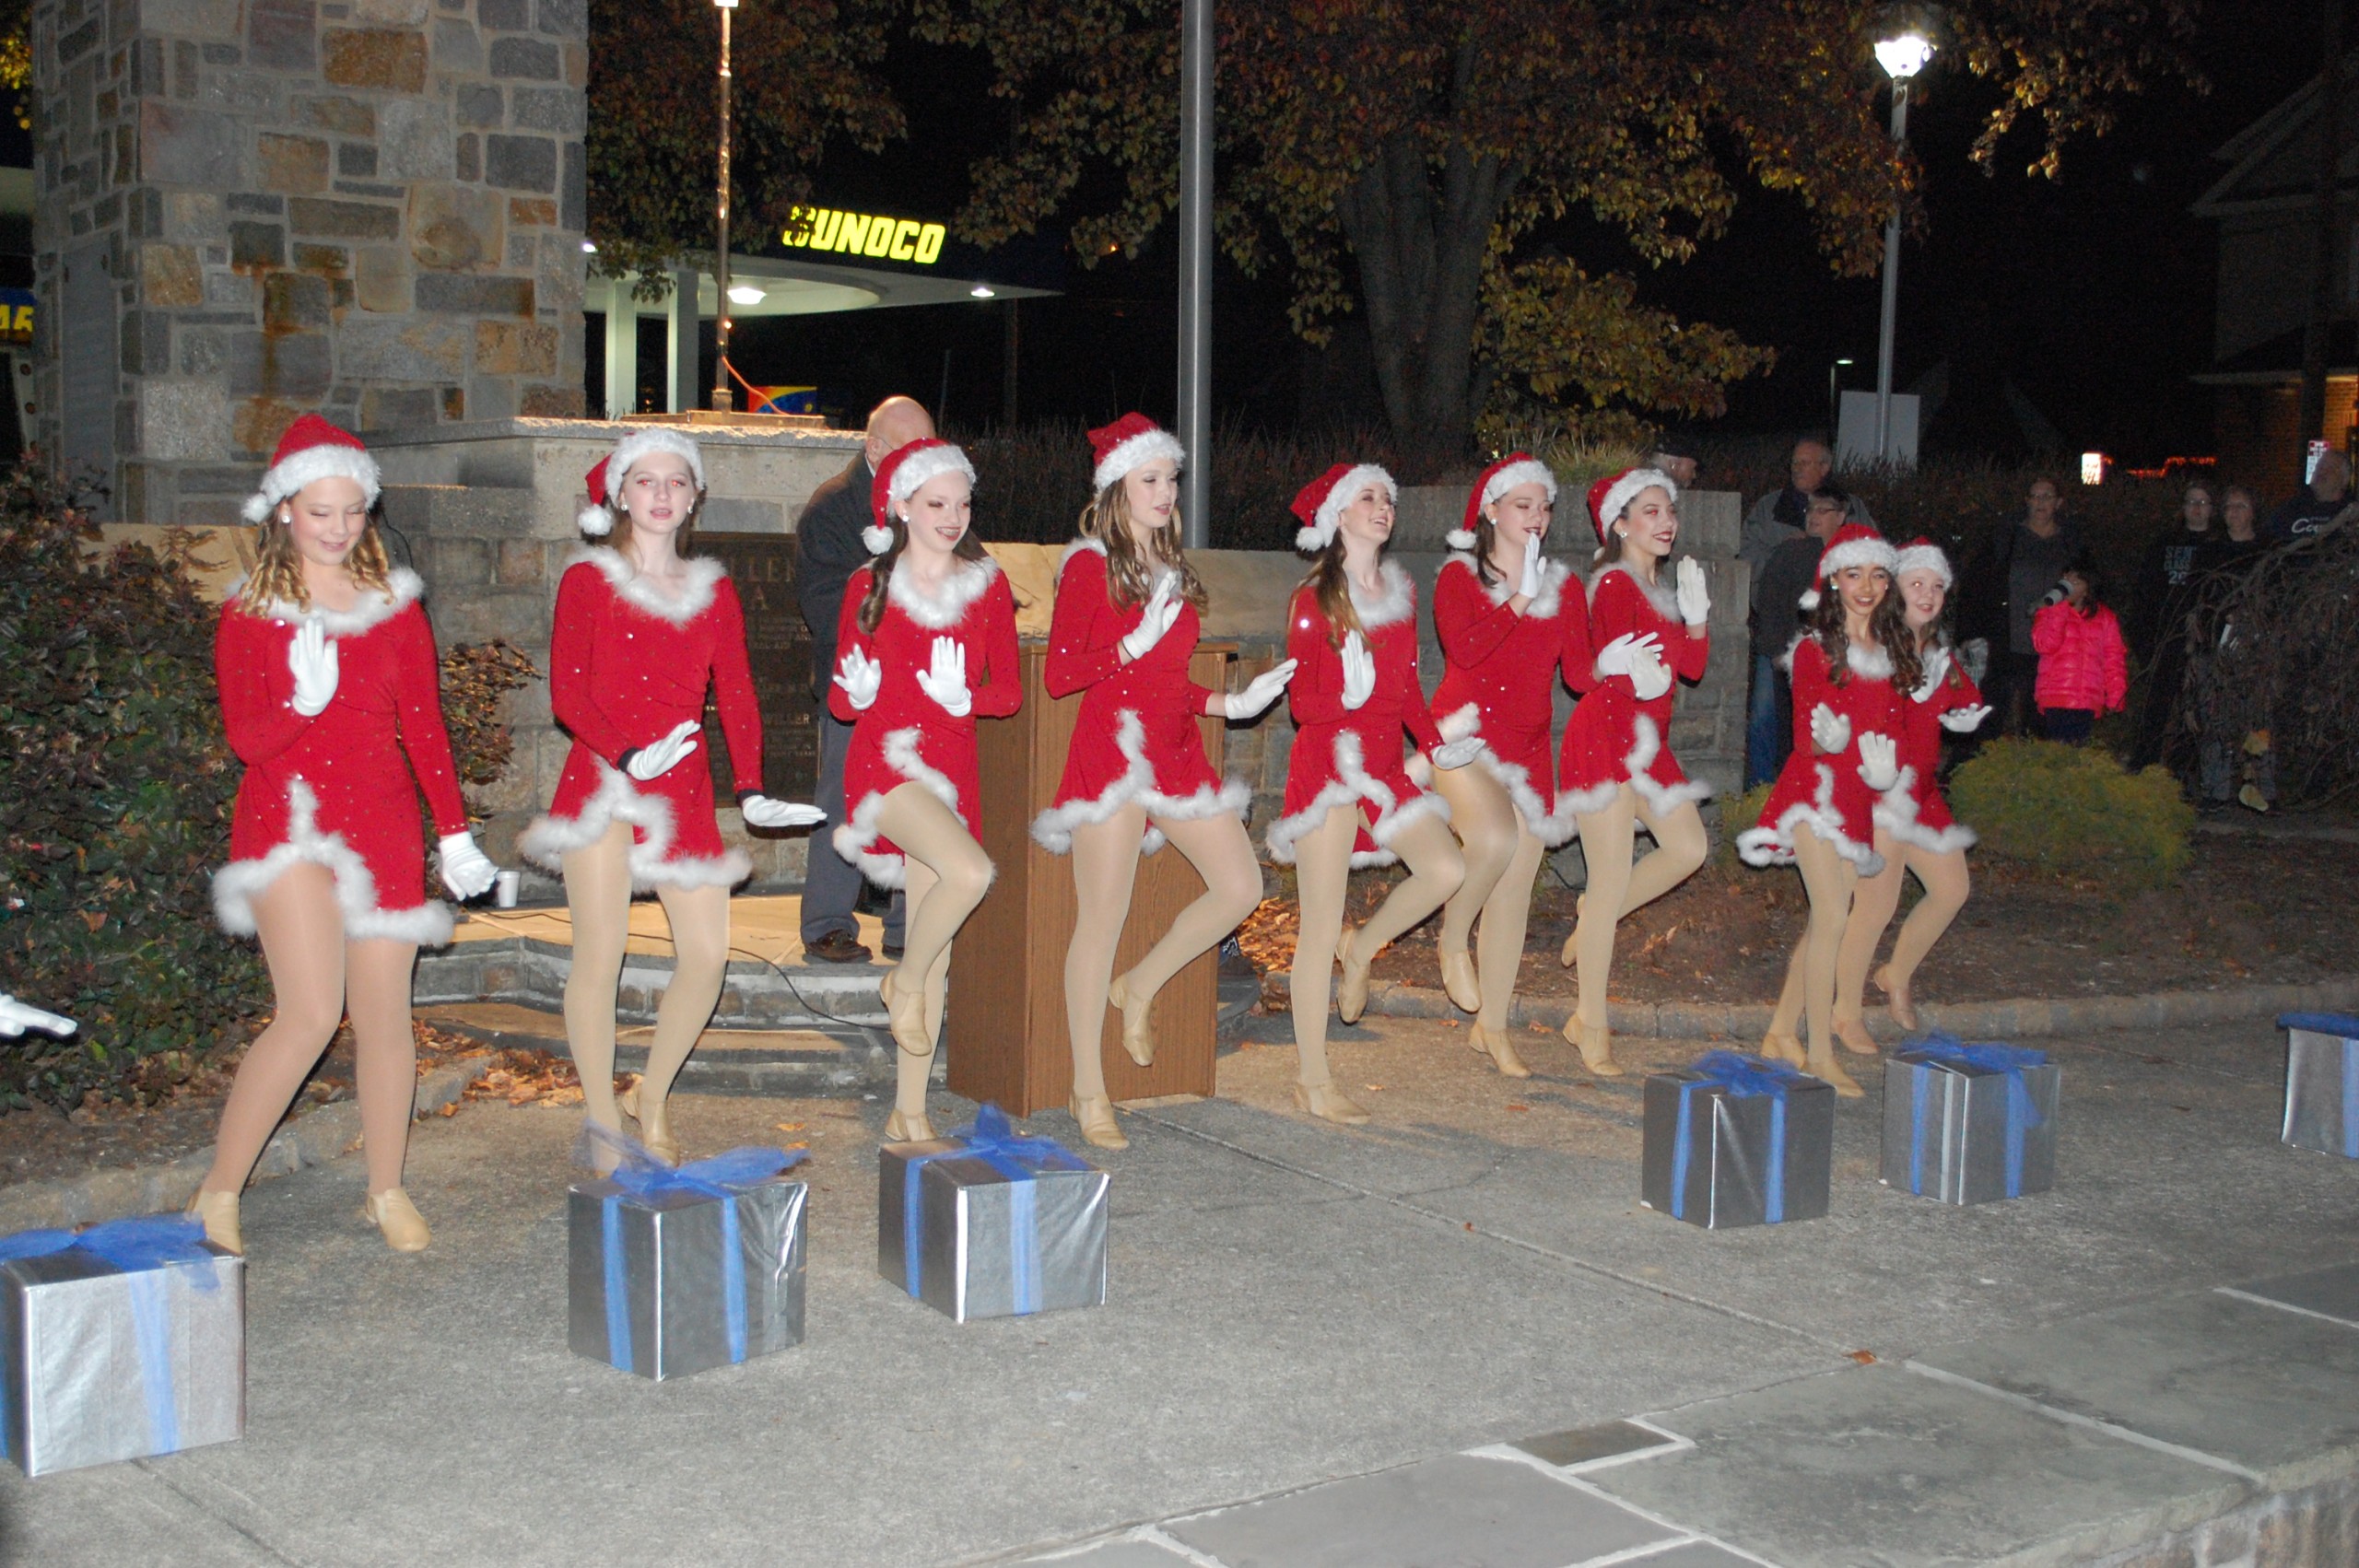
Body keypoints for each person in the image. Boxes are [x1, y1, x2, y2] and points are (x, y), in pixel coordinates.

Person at [193, 415, 500, 1254]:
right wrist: (302, 702)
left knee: (385, 1016)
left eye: (352, 510)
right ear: (284, 508)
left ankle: (386, 1187)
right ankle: (219, 1192)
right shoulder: (251, 613)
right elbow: (246, 742)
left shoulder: (395, 608)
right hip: (288, 825)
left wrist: (456, 834)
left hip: (384, 825)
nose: (337, 527)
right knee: (309, 1012)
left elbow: (425, 729)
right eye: (319, 510)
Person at [520, 431, 825, 1168]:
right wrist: (624, 753)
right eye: (647, 480)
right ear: (621, 494)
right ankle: (601, 1119)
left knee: (709, 955)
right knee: (602, 952)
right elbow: (569, 693)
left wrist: (751, 789)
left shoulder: (712, 588)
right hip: (604, 784)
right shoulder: (588, 581)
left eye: (676, 482)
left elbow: (740, 691)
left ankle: (651, 1094)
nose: (661, 494)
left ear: (694, 498)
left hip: (682, 790)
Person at [1030, 415, 1293, 1149]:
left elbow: (1169, 682)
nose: (1164, 490)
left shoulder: (1174, 568)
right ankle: (1088, 1087)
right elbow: (1060, 677)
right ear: (1117, 486)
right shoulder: (1089, 566)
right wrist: (1125, 646)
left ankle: (1138, 987)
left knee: (1242, 887)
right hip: (1111, 757)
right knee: (1100, 921)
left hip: (1174, 751)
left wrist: (1228, 704)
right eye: (1150, 478)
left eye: (1170, 478)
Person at [1267, 463, 1476, 1126]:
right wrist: (1344, 701)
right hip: (1328, 766)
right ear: (1338, 515)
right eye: (1368, 497)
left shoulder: (1400, 594)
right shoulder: (1313, 600)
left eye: (1388, 496)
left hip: (1385, 764)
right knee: (1318, 923)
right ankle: (1312, 1077)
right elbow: (1303, 703)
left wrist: (1436, 744)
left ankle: (1363, 951)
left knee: (1447, 867)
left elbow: (1411, 689)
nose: (1383, 506)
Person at [827, 438, 1021, 1141]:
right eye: (936, 503)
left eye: (962, 502)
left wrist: (964, 696)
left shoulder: (987, 584)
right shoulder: (868, 584)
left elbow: (1009, 692)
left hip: (952, 767)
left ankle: (908, 1113)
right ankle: (900, 983)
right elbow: (844, 703)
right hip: (886, 766)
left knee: (936, 947)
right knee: (971, 872)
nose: (952, 516)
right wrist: (860, 689)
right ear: (902, 505)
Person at [1426, 453, 1590, 1079]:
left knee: (1518, 886)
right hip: (1463, 739)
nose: (1537, 518)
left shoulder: (1563, 585)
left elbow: (1577, 674)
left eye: (1543, 507)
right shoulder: (1457, 578)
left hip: (1525, 750)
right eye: (1523, 505)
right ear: (1491, 510)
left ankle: (1491, 1027)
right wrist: (1520, 596)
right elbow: (1465, 648)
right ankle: (1451, 937)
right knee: (1494, 839)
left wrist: (1625, 667)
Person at [1738, 523, 1912, 1098]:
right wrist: (1827, 740)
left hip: (1857, 798)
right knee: (1834, 915)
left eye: (1878, 575)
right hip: (1813, 793)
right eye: (1854, 574)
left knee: (1822, 922)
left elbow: (1890, 732)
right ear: (1833, 580)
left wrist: (1885, 771)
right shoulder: (1814, 650)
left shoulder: (1889, 654)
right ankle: (1817, 1053)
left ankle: (1780, 1031)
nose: (1867, 586)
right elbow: (1805, 738)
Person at [1554, 467, 1713, 1078]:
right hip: (1605, 739)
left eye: (1668, 509)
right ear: (1620, 524)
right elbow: (1611, 667)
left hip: (1650, 745)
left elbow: (1690, 667)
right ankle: (1589, 1022)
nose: (1665, 520)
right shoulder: (1614, 584)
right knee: (1614, 872)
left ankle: (1597, 910)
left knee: (1688, 847)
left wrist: (1695, 619)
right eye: (1649, 510)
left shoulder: (1660, 589)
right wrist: (1615, 666)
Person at [795, 397, 934, 965]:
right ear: (874, 448)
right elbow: (822, 602)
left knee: (917, 800)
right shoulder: (832, 507)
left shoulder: (930, 497)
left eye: (931, 442)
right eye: (910, 445)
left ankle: (907, 922)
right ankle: (828, 923)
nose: (925, 456)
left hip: (920, 688)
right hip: (857, 684)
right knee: (842, 800)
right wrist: (895, 624)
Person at [1844, 541, 1989, 1039]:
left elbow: (1962, 695)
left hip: (1923, 795)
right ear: (1895, 588)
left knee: (1952, 889)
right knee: (1875, 906)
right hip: (1881, 794)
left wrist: (1964, 713)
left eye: (1937, 586)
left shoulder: (1936, 652)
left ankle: (1896, 976)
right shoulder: (1875, 647)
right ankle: (1844, 1010)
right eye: (1916, 584)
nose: (1927, 594)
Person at [1740, 439, 1872, 788]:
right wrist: (1785, 558)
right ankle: (1762, 788)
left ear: (1825, 467)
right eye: (1794, 463)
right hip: (1779, 631)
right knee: (1766, 716)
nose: (1797, 469)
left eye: (1806, 463)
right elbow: (1750, 560)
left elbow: (1872, 558)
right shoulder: (1771, 507)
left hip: (1836, 642)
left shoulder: (1853, 506)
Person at [1747, 486, 1852, 788]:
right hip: (1783, 651)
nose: (1813, 517)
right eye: (1810, 511)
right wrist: (1778, 649)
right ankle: (1762, 788)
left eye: (1823, 511)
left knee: (1822, 723)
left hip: (1829, 655)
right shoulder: (1792, 550)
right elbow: (1770, 600)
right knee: (1767, 720)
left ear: (1841, 516)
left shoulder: (1851, 557)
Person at [1984, 476, 2082, 734]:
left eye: (2047, 496)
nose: (2041, 502)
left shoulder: (2071, 542)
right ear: (2027, 501)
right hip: (2011, 636)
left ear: (2059, 503)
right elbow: (1984, 581)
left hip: (2054, 643)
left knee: (2041, 713)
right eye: (2035, 496)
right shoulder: (2008, 537)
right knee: (1994, 708)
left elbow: (2088, 581)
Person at [2130, 483, 2216, 770]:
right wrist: (2144, 637)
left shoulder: (2219, 545)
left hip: (2202, 640)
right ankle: (2145, 761)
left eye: (2203, 502)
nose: (2197, 508)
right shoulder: (2164, 543)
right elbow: (2145, 592)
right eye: (2192, 502)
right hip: (2165, 636)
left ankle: (2185, 768)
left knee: (2194, 707)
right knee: (2157, 705)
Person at [2030, 556, 2128, 743]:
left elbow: (2114, 658)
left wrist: (2116, 695)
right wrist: (2059, 609)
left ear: (2087, 588)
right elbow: (2044, 644)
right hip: (2055, 696)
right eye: (2067, 579)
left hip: (2087, 699)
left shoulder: (2105, 618)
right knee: (2057, 755)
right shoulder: (2047, 611)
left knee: (2078, 754)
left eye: (2077, 580)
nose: (2070, 585)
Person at [2264, 449, 2353, 543]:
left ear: (2344, 480)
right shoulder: (2292, 508)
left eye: (2330, 468)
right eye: (2319, 466)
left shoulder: (2351, 512)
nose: (2322, 471)